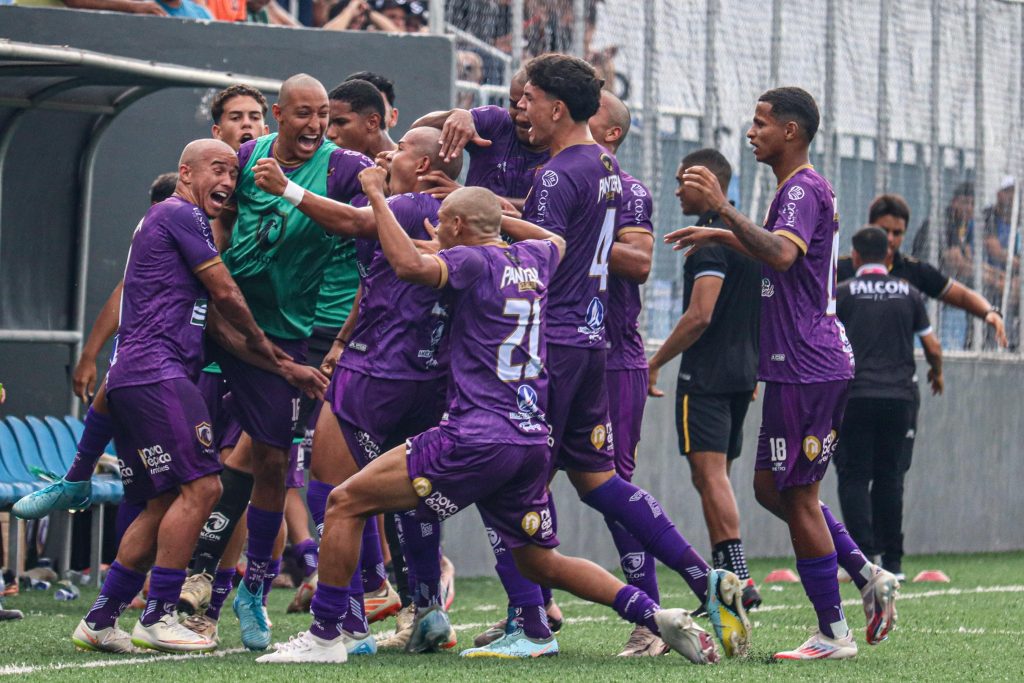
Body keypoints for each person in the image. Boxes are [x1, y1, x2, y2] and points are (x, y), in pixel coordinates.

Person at [256, 177, 719, 666]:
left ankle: (326, 636)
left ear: (456, 226)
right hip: (529, 439)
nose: (437, 230)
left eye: (444, 224)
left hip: (474, 435)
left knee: (345, 502)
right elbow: (555, 240)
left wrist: (375, 194)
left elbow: (408, 265)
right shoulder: (535, 259)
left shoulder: (470, 261)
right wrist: (495, 221)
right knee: (541, 561)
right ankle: (655, 616)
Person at [473, 53, 750, 660]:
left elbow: (541, 257)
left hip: (550, 346)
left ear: (558, 107)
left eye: (529, 98)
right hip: (593, 343)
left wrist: (482, 226)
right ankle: (708, 579)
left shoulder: (552, 176)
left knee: (502, 480)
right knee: (599, 480)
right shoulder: (603, 166)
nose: (520, 107)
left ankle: (532, 626)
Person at [667, 87, 899, 660]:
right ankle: (867, 572)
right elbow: (782, 255)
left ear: (790, 132)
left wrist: (721, 209)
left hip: (809, 365)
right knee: (773, 486)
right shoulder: (793, 190)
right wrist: (719, 232)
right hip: (795, 365)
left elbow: (782, 256)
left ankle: (833, 632)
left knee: (795, 493)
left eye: (761, 123)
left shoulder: (799, 189)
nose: (751, 132)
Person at [70, 139, 316, 654]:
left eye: (233, 172)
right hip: (158, 375)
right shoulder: (181, 215)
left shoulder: (179, 223)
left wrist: (277, 363)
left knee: (167, 500)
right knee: (204, 489)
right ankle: (159, 613)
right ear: (185, 172)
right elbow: (226, 293)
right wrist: (275, 352)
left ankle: (100, 618)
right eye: (217, 169)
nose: (227, 181)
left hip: (144, 376)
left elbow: (218, 328)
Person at [253, 125, 462, 654]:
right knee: (415, 495)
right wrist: (342, 338)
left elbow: (348, 220)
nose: (387, 154)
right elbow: (377, 285)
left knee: (330, 490)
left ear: (419, 166)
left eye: (400, 149)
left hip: (378, 372)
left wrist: (288, 189)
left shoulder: (411, 205)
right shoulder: (453, 213)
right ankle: (426, 611)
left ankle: (342, 624)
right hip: (429, 376)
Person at [206, 74, 373, 652]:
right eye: (303, 113)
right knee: (197, 459)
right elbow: (215, 211)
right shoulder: (246, 156)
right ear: (278, 114)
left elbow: (363, 221)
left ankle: (252, 589)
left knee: (278, 461)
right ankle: (173, 591)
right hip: (226, 329)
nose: (314, 125)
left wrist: (292, 192)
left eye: (323, 113)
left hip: (288, 338)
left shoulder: (340, 167)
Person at [836, 192, 1007, 576]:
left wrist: (989, 312)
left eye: (898, 232)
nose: (893, 239)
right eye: (886, 231)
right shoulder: (844, 271)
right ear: (871, 228)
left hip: (868, 393)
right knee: (868, 475)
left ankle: (876, 561)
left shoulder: (910, 273)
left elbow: (955, 292)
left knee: (881, 476)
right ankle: (874, 562)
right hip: (885, 392)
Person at [12, 172, 178, 523]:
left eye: (252, 116)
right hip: (158, 361)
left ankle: (228, 573)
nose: (246, 125)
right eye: (236, 115)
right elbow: (126, 287)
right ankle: (79, 478)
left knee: (219, 481)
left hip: (212, 363)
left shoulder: (231, 210)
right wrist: (89, 355)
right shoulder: (162, 226)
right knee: (150, 483)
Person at [647, 148, 762, 615]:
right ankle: (727, 584)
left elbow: (700, 315)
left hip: (708, 374)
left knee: (709, 477)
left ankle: (740, 578)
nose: (676, 192)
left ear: (707, 182)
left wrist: (653, 361)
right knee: (719, 479)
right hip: (742, 374)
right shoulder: (749, 237)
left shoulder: (710, 242)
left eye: (682, 182)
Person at [835, 226, 943, 582]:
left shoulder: (843, 293)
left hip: (855, 396)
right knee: (890, 477)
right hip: (898, 398)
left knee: (853, 476)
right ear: (888, 255)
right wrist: (936, 374)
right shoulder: (909, 293)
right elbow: (932, 347)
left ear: (855, 254)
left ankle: (863, 559)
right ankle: (894, 562)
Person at [412, 67, 550, 211]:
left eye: (528, 107)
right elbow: (417, 129)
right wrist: (457, 115)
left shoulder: (566, 148)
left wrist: (470, 196)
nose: (520, 117)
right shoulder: (497, 122)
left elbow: (546, 209)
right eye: (514, 105)